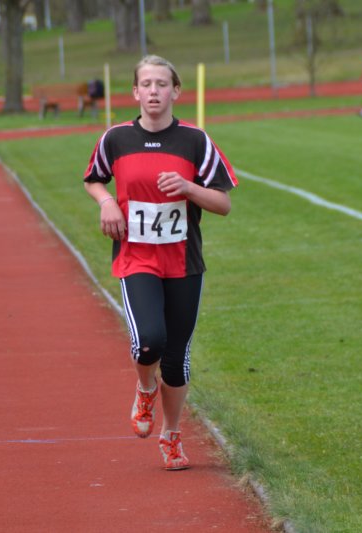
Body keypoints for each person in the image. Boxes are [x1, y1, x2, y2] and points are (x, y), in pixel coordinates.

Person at [83, 55, 237, 471]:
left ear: (176, 91)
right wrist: (107, 202)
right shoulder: (116, 139)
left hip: (184, 262)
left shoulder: (195, 141)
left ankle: (171, 436)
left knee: (176, 358)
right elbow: (94, 178)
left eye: (162, 84)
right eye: (147, 84)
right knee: (149, 341)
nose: (154, 91)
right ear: (135, 92)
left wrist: (188, 187)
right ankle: (145, 388)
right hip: (136, 257)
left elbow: (223, 203)